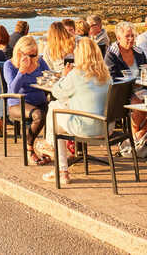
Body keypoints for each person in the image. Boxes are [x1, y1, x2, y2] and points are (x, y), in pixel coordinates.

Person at [38, 38, 112, 184]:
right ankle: (59, 166)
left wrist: (65, 76)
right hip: (105, 127)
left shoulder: (77, 74)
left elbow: (57, 92)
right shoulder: (106, 76)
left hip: (85, 127)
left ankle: (56, 159)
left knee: (53, 107)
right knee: (57, 112)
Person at [3, 35, 50, 165]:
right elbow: (12, 90)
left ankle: (48, 146)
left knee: (56, 111)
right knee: (39, 115)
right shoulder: (9, 65)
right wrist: (22, 72)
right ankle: (29, 148)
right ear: (19, 52)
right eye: (28, 55)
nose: (32, 58)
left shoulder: (40, 62)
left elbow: (49, 77)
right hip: (18, 103)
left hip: (40, 100)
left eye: (34, 55)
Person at [104, 21, 147, 140]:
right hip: (121, 92)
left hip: (140, 89)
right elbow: (111, 78)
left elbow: (146, 71)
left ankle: (139, 135)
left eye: (132, 36)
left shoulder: (139, 52)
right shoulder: (111, 54)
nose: (131, 39)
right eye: (127, 36)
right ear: (118, 38)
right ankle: (137, 139)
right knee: (138, 104)